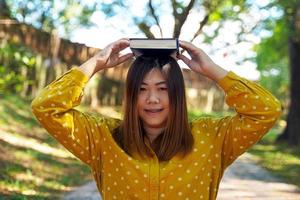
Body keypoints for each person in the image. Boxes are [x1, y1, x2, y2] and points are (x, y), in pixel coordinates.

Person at [31, 38, 281, 200]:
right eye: (141, 89)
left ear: (177, 95)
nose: (152, 99)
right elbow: (46, 107)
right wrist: (95, 63)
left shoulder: (212, 139)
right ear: (130, 95)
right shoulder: (102, 138)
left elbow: (266, 110)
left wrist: (213, 71)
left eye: (162, 89)